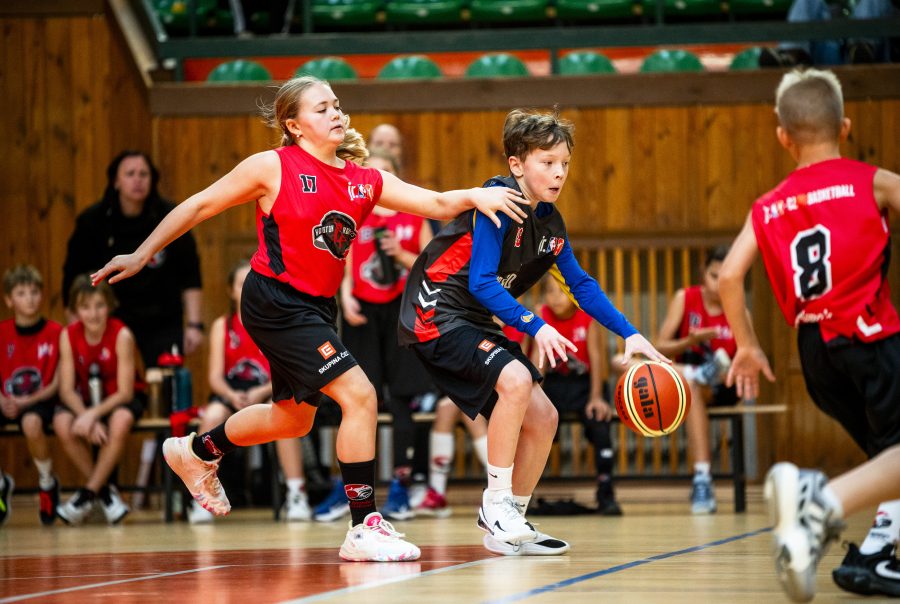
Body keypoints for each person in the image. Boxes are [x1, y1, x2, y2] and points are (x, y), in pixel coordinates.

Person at [91, 75, 529, 562]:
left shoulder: (363, 179)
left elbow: (436, 203)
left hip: (318, 307)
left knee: (293, 420)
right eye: (321, 108)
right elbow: (199, 205)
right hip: (274, 300)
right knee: (360, 395)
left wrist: (477, 196)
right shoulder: (272, 167)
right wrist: (141, 252)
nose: (335, 112)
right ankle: (363, 525)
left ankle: (197, 452)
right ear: (294, 125)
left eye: (336, 105)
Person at [398, 108, 667, 556]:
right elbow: (482, 282)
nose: (559, 172)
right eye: (548, 162)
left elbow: (580, 285)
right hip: (436, 312)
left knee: (545, 418)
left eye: (565, 163)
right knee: (517, 379)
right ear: (517, 165)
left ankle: (511, 521)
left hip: (473, 319)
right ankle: (496, 504)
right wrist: (536, 325)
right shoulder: (498, 199)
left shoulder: (551, 225)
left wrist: (630, 332)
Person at [719, 68, 900, 601]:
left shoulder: (767, 205)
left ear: (783, 137)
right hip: (869, 336)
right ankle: (818, 502)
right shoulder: (871, 180)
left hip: (815, 353)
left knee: (889, 456)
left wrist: (748, 346)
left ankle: (878, 553)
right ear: (845, 126)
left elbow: (729, 276)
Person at [338, 149, 434, 521]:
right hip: (364, 313)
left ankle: (400, 485)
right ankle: (352, 490)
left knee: (402, 400)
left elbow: (433, 266)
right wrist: (345, 294)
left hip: (401, 311)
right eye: (371, 172)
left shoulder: (412, 216)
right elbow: (343, 258)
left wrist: (401, 255)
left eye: (385, 172)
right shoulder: (355, 213)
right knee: (359, 398)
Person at [188, 259, 311, 524]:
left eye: (252, 283)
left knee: (286, 417)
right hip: (232, 392)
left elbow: (287, 369)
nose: (246, 289)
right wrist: (232, 396)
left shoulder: (275, 320)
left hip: (268, 388)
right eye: (240, 284)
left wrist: (261, 391)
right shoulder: (223, 325)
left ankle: (296, 493)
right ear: (231, 291)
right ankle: (202, 494)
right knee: (211, 416)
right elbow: (214, 377)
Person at [62, 150, 205, 368]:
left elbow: (190, 274)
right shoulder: (93, 221)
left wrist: (195, 325)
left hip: (162, 317)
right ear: (116, 181)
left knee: (166, 381)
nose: (137, 180)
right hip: (110, 317)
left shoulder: (170, 216)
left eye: (143, 174)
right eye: (130, 174)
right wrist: (75, 324)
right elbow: (72, 276)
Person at [653, 245, 745, 515]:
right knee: (623, 362)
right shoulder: (685, 298)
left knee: (693, 386)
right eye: (713, 276)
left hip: (722, 385)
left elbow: (747, 362)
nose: (718, 284)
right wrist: (690, 341)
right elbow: (658, 347)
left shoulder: (738, 308)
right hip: (683, 376)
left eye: (724, 277)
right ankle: (697, 373)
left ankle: (702, 478)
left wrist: (731, 372)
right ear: (703, 272)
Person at [55, 275, 144, 525]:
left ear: (110, 305)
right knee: (62, 423)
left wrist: (92, 416)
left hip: (119, 398)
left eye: (99, 305)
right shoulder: (68, 335)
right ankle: (105, 494)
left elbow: (125, 392)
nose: (93, 314)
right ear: (75, 310)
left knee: (120, 420)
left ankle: (87, 494)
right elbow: (66, 390)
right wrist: (86, 415)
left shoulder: (122, 335)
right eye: (85, 307)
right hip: (84, 400)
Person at [533, 276, 622, 516]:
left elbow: (597, 360)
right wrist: (534, 397)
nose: (555, 298)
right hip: (554, 384)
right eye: (550, 292)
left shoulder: (587, 315)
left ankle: (606, 494)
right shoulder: (541, 314)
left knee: (600, 425)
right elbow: (538, 361)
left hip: (585, 385)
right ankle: (522, 497)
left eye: (561, 291)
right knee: (532, 425)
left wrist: (596, 397)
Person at [0, 265, 65, 525]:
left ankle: (47, 483)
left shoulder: (56, 332)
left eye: (34, 292)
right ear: (9, 300)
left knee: (31, 423)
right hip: (6, 400)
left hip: (41, 399)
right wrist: (2, 400)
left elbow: (58, 381)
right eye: (21, 293)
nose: (29, 298)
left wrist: (27, 401)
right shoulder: (2, 332)